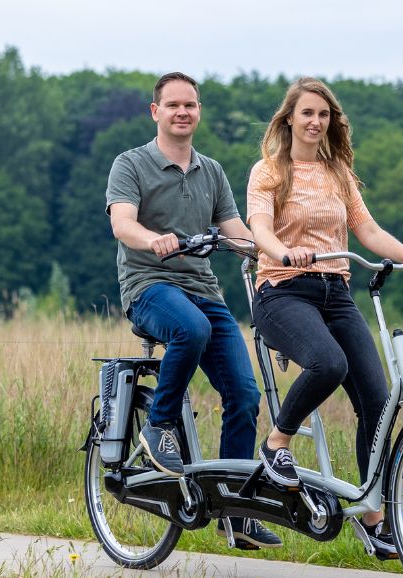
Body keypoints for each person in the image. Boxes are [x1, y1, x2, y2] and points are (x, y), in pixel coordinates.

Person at [246, 77, 403, 559]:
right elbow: (259, 229)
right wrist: (284, 252)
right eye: (307, 113)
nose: (315, 122)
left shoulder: (338, 173)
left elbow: (367, 230)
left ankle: (372, 517)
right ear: (289, 119)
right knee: (329, 364)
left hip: (336, 293)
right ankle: (276, 444)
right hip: (283, 291)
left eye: (324, 114)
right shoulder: (269, 171)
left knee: (377, 403)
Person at [106, 72, 280, 550]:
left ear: (198, 112)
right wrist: (153, 240)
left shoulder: (212, 171)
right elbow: (122, 224)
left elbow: (235, 228)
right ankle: (160, 426)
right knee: (191, 328)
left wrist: (271, 250)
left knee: (244, 395)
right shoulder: (131, 164)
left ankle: (235, 512)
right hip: (149, 286)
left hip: (203, 290)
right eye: (173, 105)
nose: (183, 112)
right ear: (155, 112)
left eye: (191, 105)